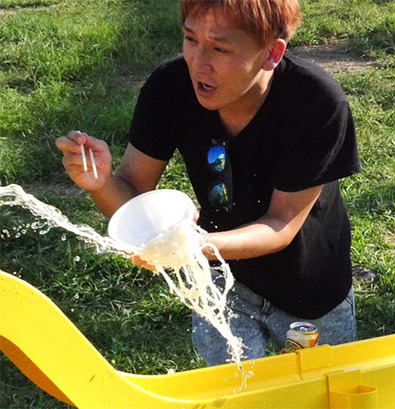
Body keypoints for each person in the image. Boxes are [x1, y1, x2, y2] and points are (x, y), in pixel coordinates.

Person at [56, 0, 360, 366]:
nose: (198, 62)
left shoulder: (315, 103)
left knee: (320, 390)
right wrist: (102, 183)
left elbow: (281, 223)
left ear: (272, 53)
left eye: (219, 48)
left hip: (311, 287)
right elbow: (132, 200)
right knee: (232, 392)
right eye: (190, 39)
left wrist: (193, 246)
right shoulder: (169, 88)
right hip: (220, 282)